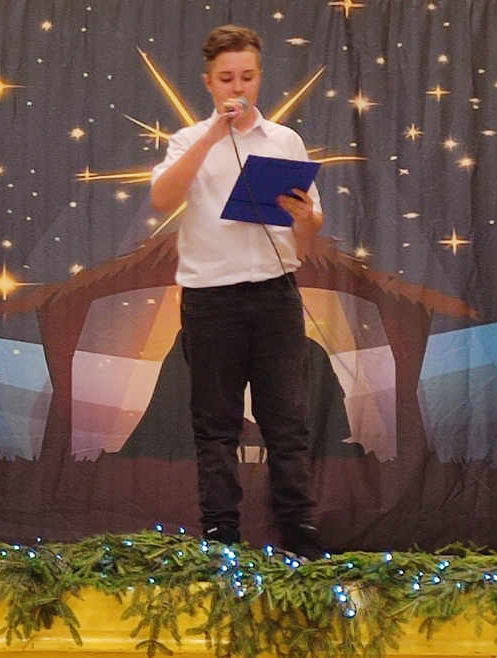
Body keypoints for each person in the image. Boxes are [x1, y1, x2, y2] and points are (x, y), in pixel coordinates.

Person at [150, 24, 325, 559]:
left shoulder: (284, 141)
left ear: (260, 78)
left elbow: (307, 235)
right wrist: (212, 135)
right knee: (216, 425)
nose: (238, 87)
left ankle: (298, 532)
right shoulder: (187, 141)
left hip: (276, 294)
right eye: (226, 78)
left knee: (287, 422)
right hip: (211, 299)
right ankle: (221, 535)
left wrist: (305, 217)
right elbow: (162, 198)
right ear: (209, 83)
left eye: (247, 77)